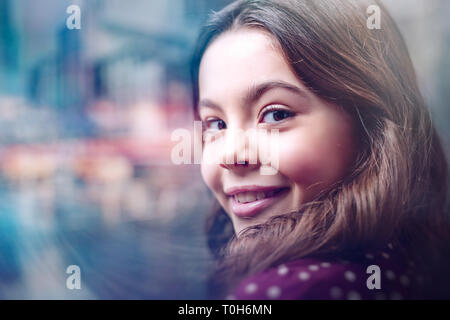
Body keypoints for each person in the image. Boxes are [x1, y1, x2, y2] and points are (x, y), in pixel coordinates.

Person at [190, 0, 450, 299]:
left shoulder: (296, 290)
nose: (231, 156)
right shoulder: (411, 253)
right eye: (216, 124)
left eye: (276, 114)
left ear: (369, 126)